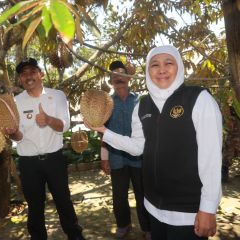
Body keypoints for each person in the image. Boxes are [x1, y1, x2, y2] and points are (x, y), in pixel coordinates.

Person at [86, 45, 222, 240]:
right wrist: (104, 132)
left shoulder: (199, 99)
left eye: (169, 63)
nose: (162, 69)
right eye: (154, 65)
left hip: (188, 212)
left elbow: (211, 158)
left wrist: (208, 208)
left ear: (179, 66)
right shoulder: (142, 105)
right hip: (153, 207)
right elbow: (137, 147)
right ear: (148, 71)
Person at [4, 57, 85, 240]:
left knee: (63, 201)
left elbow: (64, 126)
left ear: (41, 74)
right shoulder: (15, 102)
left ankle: (75, 235)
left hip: (54, 159)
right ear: (20, 80)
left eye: (32, 71)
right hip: (29, 163)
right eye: (23, 73)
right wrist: (12, 132)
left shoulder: (57, 96)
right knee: (35, 206)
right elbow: (19, 136)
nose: (28, 76)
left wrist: (48, 120)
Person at [101, 60, 151, 239]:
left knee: (142, 194)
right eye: (114, 75)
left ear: (128, 78)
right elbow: (103, 132)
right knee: (119, 195)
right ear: (111, 80)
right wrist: (104, 157)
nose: (118, 77)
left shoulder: (141, 101)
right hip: (116, 158)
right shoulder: (107, 103)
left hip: (138, 158)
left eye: (122, 73)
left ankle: (147, 228)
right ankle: (123, 224)